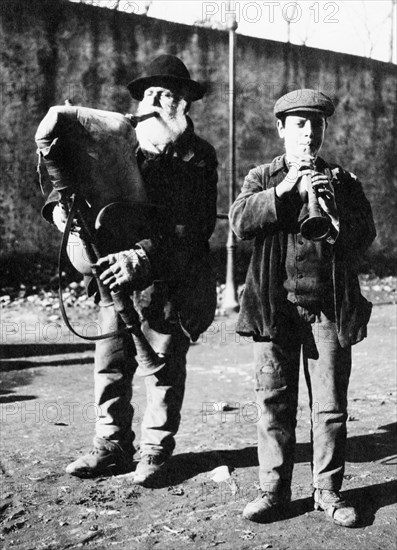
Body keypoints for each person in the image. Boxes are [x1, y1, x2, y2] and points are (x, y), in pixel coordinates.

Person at [44, 55, 218, 486]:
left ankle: (156, 450)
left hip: (169, 277)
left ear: (185, 106)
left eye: (171, 95)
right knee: (110, 362)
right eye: (152, 94)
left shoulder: (198, 157)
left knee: (161, 365)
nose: (160, 102)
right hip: (111, 280)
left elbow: (195, 225)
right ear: (140, 101)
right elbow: (64, 187)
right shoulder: (112, 145)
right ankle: (112, 445)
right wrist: (59, 214)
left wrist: (141, 256)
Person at [229, 89, 376, 527]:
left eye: (317, 124)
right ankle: (272, 492)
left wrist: (335, 213)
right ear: (281, 129)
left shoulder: (344, 181)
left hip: (328, 311)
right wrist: (284, 190)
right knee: (273, 401)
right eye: (299, 124)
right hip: (274, 311)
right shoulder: (261, 176)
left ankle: (327, 492)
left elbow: (365, 237)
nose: (309, 133)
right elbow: (239, 223)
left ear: (324, 129)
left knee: (329, 407)